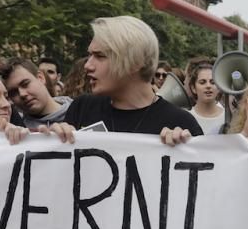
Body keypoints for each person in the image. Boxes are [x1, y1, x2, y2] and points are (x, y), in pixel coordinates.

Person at [63, 16, 203, 141]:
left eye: (100, 56)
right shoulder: (82, 108)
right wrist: (52, 140)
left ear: (135, 62)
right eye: (89, 56)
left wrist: (184, 148)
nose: (87, 65)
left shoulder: (181, 123)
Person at [0, 58, 72, 129]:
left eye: (25, 84)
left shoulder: (81, 112)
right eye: (13, 92)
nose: (22, 94)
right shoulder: (16, 130)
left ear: (40, 78)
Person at [186, 62, 224, 135]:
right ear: (193, 88)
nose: (208, 86)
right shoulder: (186, 117)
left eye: (213, 82)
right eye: (202, 82)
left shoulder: (228, 117)